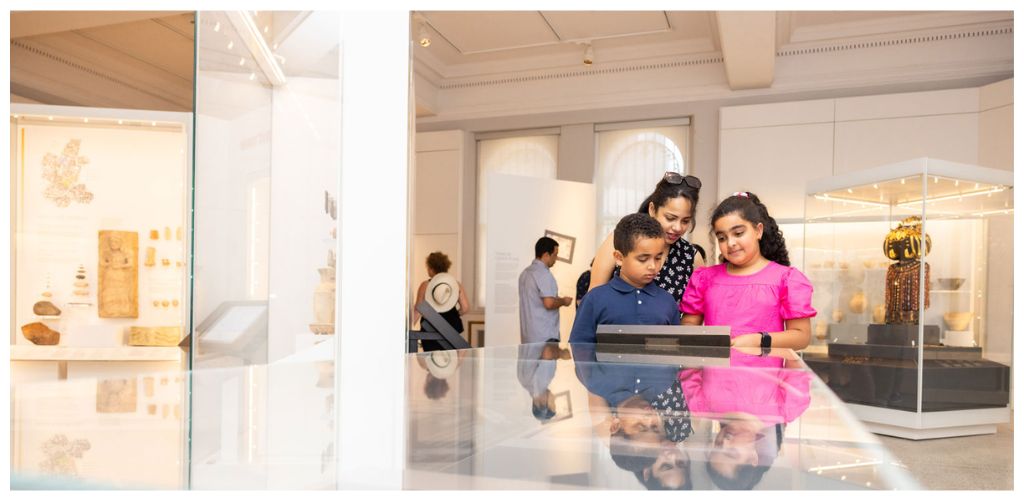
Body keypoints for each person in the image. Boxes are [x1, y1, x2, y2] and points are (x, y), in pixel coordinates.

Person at [680, 192, 815, 350]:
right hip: (713, 373)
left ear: (758, 231)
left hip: (765, 374)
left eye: (738, 233)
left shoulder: (786, 279)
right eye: (722, 238)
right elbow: (689, 325)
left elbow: (801, 336)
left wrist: (759, 340)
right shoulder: (704, 278)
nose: (730, 243)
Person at [589, 172, 705, 308]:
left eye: (685, 221)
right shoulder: (619, 240)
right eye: (670, 218)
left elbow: (694, 314)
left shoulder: (691, 258)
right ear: (652, 209)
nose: (677, 227)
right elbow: (593, 299)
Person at [569, 214, 679, 344]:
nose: (653, 266)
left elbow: (674, 352)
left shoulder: (667, 301)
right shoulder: (594, 299)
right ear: (619, 258)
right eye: (643, 259)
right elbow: (580, 349)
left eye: (658, 258)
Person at [518, 237, 573, 344]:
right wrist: (564, 301)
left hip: (528, 336)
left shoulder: (524, 274)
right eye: (555, 255)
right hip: (545, 336)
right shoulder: (544, 274)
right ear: (546, 255)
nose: (556, 259)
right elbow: (549, 303)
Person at [413, 252, 470, 351]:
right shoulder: (456, 285)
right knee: (450, 362)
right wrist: (454, 315)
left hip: (430, 328)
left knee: (431, 362)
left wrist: (407, 327)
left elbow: (418, 309)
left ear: (431, 268)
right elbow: (465, 308)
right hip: (452, 328)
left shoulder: (425, 285)